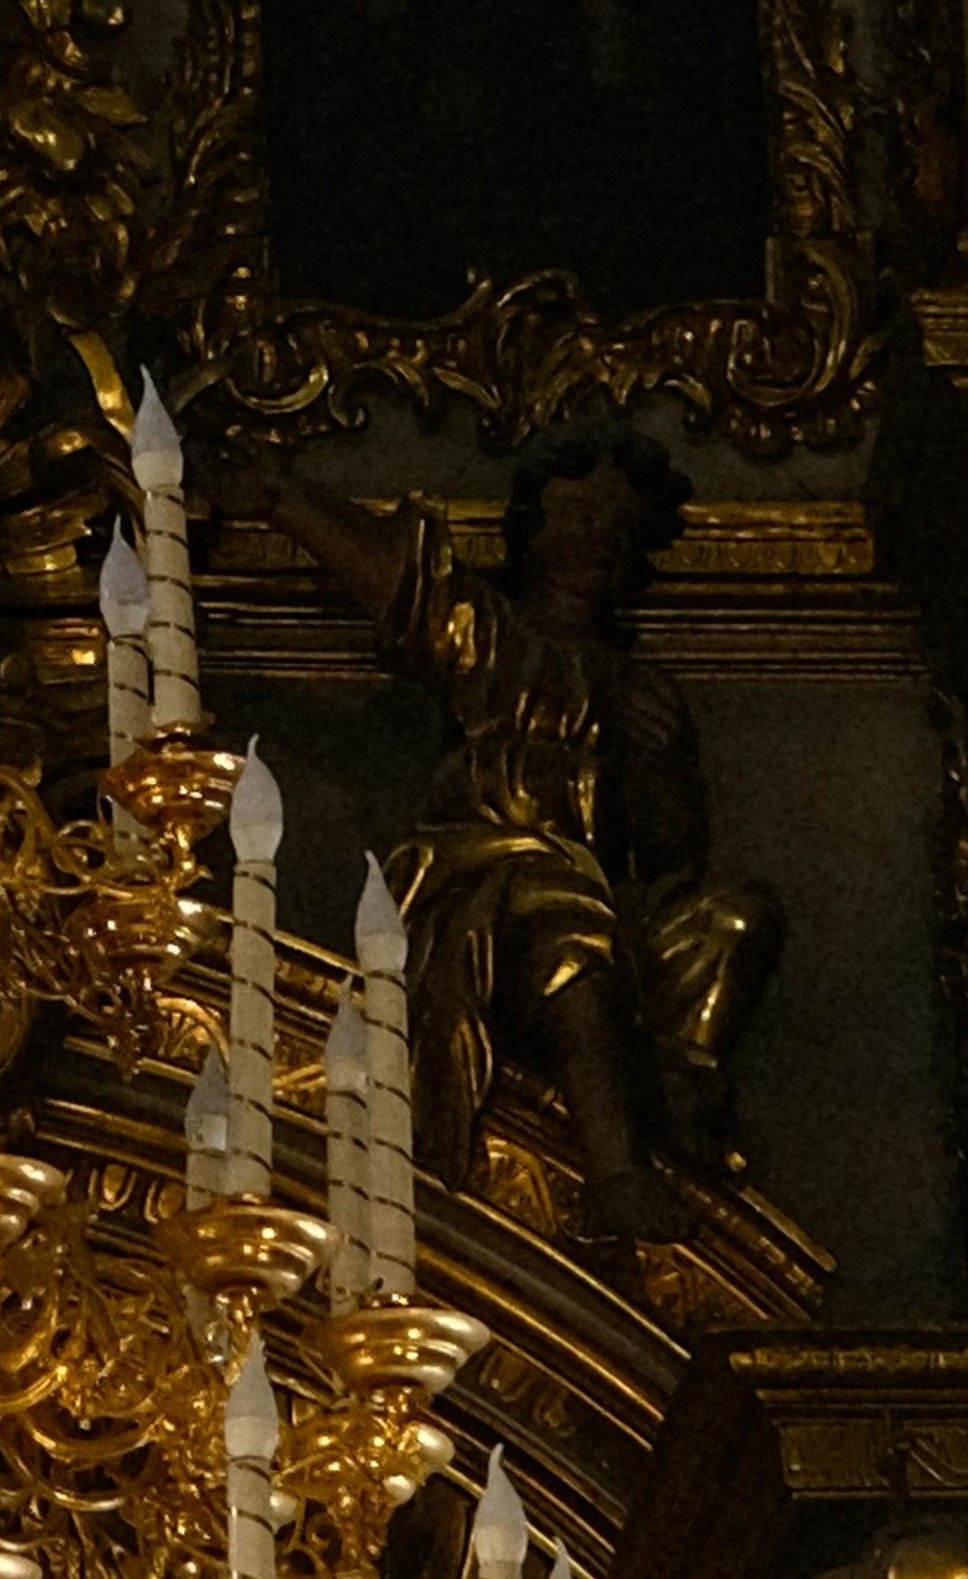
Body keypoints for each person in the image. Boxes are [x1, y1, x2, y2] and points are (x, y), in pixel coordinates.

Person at [263, 426, 779, 1232]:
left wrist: (668, 763)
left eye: (617, 529)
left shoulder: (633, 686)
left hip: (609, 903)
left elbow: (671, 848)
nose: (596, 542)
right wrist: (283, 499)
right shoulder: (492, 633)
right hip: (481, 879)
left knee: (737, 916)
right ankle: (616, 1172)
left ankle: (672, 1080)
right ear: (532, 529)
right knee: (562, 903)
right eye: (576, 517)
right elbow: (401, 581)